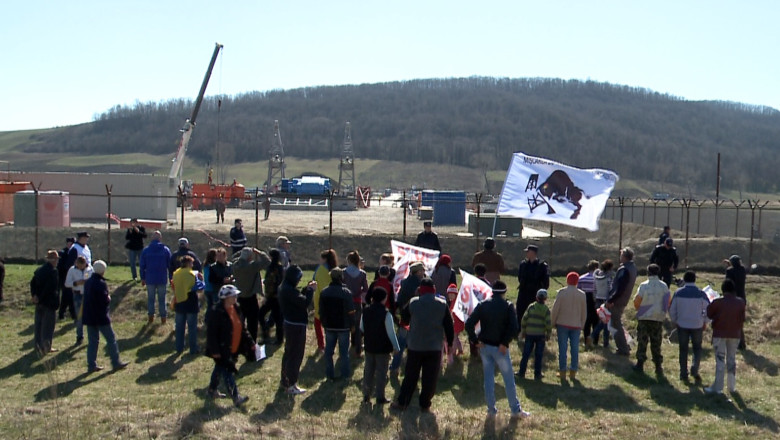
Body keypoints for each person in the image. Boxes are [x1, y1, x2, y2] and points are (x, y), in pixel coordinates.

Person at [466, 281, 529, 418]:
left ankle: (491, 410)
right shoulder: (507, 306)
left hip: (485, 347)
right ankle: (515, 410)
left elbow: (469, 323)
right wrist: (504, 343)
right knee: (508, 380)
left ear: (492, 291)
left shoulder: (483, 305)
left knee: (488, 379)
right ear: (504, 292)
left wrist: (475, 340)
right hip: (500, 348)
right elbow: (514, 327)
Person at [392, 278, 454, 413]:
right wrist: (449, 343)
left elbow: (404, 316)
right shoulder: (442, 304)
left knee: (410, 376)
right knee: (430, 378)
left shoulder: (414, 302)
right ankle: (425, 404)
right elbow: (449, 326)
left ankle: (403, 402)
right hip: (434, 347)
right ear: (434, 290)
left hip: (415, 345)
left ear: (420, 290)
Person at [205, 284, 255, 407]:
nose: (236, 297)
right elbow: (211, 333)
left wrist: (251, 342)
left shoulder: (236, 308)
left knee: (219, 368)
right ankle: (236, 397)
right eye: (233, 295)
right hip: (222, 348)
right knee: (228, 371)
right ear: (225, 298)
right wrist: (215, 351)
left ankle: (212, 390)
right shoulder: (216, 311)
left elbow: (242, 328)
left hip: (234, 346)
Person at [82, 260, 128, 372]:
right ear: (103, 271)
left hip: (89, 315)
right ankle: (115, 362)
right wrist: (108, 298)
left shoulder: (88, 282)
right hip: (101, 317)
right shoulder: (101, 283)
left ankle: (91, 365)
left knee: (93, 341)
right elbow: (104, 300)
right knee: (111, 339)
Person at [704, 279, 746, 394]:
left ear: (723, 290)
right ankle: (732, 387)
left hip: (719, 333)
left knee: (720, 359)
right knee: (732, 360)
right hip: (735, 334)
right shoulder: (741, 302)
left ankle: (718, 387)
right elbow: (743, 319)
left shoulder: (718, 302)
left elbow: (709, 313)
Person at [279, 265, 316, 395]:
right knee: (296, 354)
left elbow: (298, 297)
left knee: (288, 353)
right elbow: (304, 303)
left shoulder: (285, 288)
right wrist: (311, 291)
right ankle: (291, 384)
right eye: (298, 278)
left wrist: (306, 289)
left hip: (289, 323)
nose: (299, 281)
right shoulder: (289, 291)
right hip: (296, 325)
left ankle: (285, 380)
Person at [361, 286, 401, 405]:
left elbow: (361, 328)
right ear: (384, 299)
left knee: (368, 371)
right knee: (381, 373)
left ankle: (366, 396)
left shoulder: (366, 310)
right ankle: (380, 397)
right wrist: (396, 347)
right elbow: (391, 333)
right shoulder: (386, 314)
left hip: (369, 346)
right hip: (382, 348)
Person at [669, 271, 710, 382]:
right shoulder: (701, 294)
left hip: (682, 324)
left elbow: (672, 309)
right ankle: (694, 368)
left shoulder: (678, 293)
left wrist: (675, 320)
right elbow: (709, 310)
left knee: (683, 349)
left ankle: (683, 374)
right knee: (697, 348)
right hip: (697, 325)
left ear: (684, 279)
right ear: (695, 280)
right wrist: (705, 321)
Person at [631, 264, 671, 374]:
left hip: (644, 317)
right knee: (656, 341)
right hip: (658, 317)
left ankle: (640, 363)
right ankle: (658, 365)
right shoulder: (664, 286)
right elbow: (667, 301)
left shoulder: (644, 285)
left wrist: (640, 310)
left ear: (648, 273)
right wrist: (663, 312)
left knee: (642, 340)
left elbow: (637, 300)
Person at [320, 268, 355, 380]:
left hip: (329, 326)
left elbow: (321, 310)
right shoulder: (347, 293)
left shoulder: (324, 292)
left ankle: (329, 374)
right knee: (344, 353)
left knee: (328, 352)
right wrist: (352, 325)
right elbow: (351, 311)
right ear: (341, 277)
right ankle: (345, 375)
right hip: (343, 326)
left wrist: (324, 323)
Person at [390, 261, 426, 375]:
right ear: (418, 272)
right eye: (422, 270)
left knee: (400, 344)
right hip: (415, 318)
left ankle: (394, 367)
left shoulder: (404, 282)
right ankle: (412, 369)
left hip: (405, 317)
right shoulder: (420, 285)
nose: (424, 272)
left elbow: (400, 300)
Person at [551, 272, 587, 380]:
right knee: (575, 348)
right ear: (577, 281)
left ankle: (562, 371)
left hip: (562, 323)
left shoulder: (562, 292)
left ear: (567, 280)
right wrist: (582, 324)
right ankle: (573, 371)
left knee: (563, 348)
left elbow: (555, 309)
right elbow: (584, 312)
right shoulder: (582, 294)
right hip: (576, 325)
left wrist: (552, 322)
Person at [232, 247, 270, 342]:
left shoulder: (235, 266)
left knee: (239, 321)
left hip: (239, 297)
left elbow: (234, 257)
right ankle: (251, 341)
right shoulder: (252, 267)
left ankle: (238, 339)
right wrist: (259, 252)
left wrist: (242, 252)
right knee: (252, 323)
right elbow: (267, 261)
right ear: (249, 257)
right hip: (250, 298)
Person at [606, 247, 638, 356]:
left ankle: (623, 348)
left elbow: (619, 288)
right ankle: (625, 345)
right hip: (623, 299)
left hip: (618, 300)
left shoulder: (624, 269)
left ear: (624, 256)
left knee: (616, 324)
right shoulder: (632, 268)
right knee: (617, 322)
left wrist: (611, 300)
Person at [172, 256, 205, 355]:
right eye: (191, 263)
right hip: (190, 301)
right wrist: (202, 280)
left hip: (179, 301)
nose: (192, 265)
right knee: (192, 327)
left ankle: (179, 348)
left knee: (179, 327)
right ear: (187, 263)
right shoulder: (191, 274)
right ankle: (193, 349)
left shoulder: (176, 273)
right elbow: (200, 288)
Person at [518, 289, 551, 380]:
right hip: (540, 335)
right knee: (539, 355)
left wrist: (523, 331)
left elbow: (524, 319)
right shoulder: (546, 309)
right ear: (546, 299)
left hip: (529, 333)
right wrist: (548, 333)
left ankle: (521, 372)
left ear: (536, 297)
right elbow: (548, 323)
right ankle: (537, 374)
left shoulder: (531, 307)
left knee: (526, 354)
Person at [31, 250, 60, 355]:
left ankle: (37, 345)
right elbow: (51, 288)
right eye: (56, 259)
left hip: (39, 302)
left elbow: (32, 283)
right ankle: (46, 347)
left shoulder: (39, 270)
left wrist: (34, 295)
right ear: (53, 260)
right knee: (48, 327)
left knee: (38, 325)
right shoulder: (53, 271)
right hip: (49, 303)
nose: (57, 261)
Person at [140, 231, 172, 324]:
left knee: (151, 299)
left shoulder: (146, 250)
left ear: (151, 238)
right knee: (162, 299)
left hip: (150, 278)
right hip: (162, 278)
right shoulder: (165, 250)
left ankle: (151, 317)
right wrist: (170, 277)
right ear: (160, 239)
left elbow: (142, 265)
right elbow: (169, 265)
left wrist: (143, 277)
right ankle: (163, 318)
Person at [516, 244, 550, 324]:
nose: (526, 253)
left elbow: (545, 281)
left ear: (533, 253)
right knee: (521, 311)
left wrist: (541, 291)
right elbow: (520, 277)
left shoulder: (542, 266)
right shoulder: (523, 264)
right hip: (523, 292)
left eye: (528, 251)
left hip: (535, 293)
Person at [313, 249, 338, 353]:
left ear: (324, 259)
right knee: (330, 324)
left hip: (320, 298)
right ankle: (330, 345)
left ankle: (321, 345)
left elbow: (315, 280)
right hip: (333, 299)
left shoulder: (320, 270)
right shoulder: (335, 269)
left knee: (317, 322)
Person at [344, 250, 368, 357]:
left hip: (346, 301)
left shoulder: (344, 272)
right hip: (357, 301)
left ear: (349, 260)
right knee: (358, 326)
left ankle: (343, 349)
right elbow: (365, 289)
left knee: (345, 326)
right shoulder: (362, 274)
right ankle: (358, 350)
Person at [64, 256, 92, 345]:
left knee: (90, 316)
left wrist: (87, 283)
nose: (80, 268)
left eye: (82, 266)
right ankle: (79, 337)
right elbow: (67, 283)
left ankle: (92, 336)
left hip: (88, 295)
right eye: (79, 266)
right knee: (79, 318)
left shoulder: (90, 269)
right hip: (77, 295)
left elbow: (94, 280)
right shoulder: (72, 270)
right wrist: (76, 283)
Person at [259, 249, 284, 344]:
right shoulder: (280, 267)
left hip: (272, 296)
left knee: (261, 314)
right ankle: (278, 338)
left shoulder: (272, 268)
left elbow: (271, 283)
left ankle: (267, 335)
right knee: (278, 319)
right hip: (277, 296)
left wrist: (266, 296)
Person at [724, 255, 747, 350]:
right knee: (739, 321)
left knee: (732, 320)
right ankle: (741, 342)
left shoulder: (729, 271)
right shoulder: (743, 270)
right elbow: (736, 271)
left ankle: (736, 342)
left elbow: (728, 282)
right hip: (742, 297)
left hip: (732, 297)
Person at [591, 259, 615, 347]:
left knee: (601, 321)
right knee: (606, 323)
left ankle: (593, 338)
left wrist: (595, 298)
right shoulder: (608, 278)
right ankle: (604, 342)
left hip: (597, 300)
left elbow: (594, 289)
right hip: (606, 301)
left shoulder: (596, 276)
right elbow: (610, 290)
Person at [578, 260, 600, 350]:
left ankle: (586, 340)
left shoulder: (582, 278)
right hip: (596, 300)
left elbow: (578, 290)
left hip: (585, 300)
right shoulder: (599, 278)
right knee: (596, 321)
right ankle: (595, 341)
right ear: (596, 268)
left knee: (587, 322)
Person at [208, 248, 234, 314]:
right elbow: (211, 279)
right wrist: (222, 280)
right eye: (217, 256)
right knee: (218, 311)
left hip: (230, 292)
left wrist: (231, 278)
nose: (218, 258)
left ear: (225, 256)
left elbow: (235, 275)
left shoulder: (230, 265)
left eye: (220, 256)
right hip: (218, 292)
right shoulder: (213, 267)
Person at [57, 237, 76, 320]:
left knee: (67, 296)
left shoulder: (74, 252)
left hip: (72, 277)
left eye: (71, 243)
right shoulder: (63, 253)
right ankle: (71, 314)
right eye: (68, 243)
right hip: (63, 277)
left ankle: (63, 314)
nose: (69, 245)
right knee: (67, 296)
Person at [202, 249, 218, 324]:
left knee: (209, 305)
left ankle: (207, 320)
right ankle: (212, 320)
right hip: (212, 288)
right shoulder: (213, 267)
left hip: (207, 288)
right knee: (214, 305)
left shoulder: (205, 266)